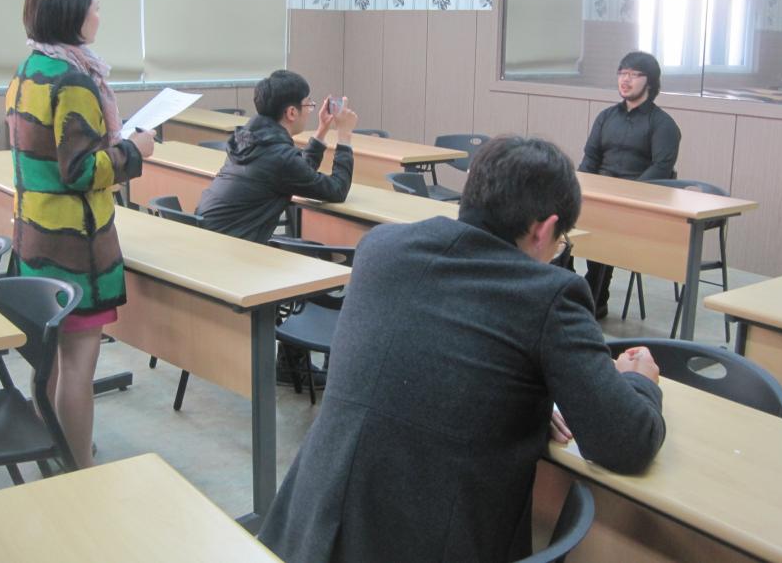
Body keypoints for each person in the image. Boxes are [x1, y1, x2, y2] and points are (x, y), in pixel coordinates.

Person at [258, 136, 666, 563]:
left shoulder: (381, 248)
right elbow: (625, 443)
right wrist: (640, 382)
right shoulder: (548, 295)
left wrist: (518, 399)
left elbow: (427, 360)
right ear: (544, 229)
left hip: (307, 533)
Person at [5, 0, 155, 469]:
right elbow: (81, 171)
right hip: (74, 250)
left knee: (48, 363)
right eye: (95, 6)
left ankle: (51, 451)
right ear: (71, 13)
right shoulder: (73, 81)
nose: (99, 15)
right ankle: (79, 472)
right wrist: (134, 151)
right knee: (77, 369)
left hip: (34, 241)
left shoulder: (28, 69)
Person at [196, 69, 358, 384]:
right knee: (315, 263)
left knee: (302, 253)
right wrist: (345, 137)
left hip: (213, 245)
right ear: (291, 112)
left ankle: (291, 361)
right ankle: (295, 362)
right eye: (308, 105)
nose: (311, 110)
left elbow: (297, 173)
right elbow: (336, 190)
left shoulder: (248, 138)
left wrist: (322, 131)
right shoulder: (277, 155)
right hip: (234, 256)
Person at [578, 51, 681, 319]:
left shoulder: (663, 124)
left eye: (634, 75)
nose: (626, 80)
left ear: (650, 81)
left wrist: (626, 195)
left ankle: (595, 298)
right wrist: (577, 189)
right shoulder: (606, 117)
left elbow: (661, 168)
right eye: (622, 73)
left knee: (604, 228)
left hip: (635, 201)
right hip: (600, 194)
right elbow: (590, 159)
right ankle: (569, 290)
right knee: (559, 222)